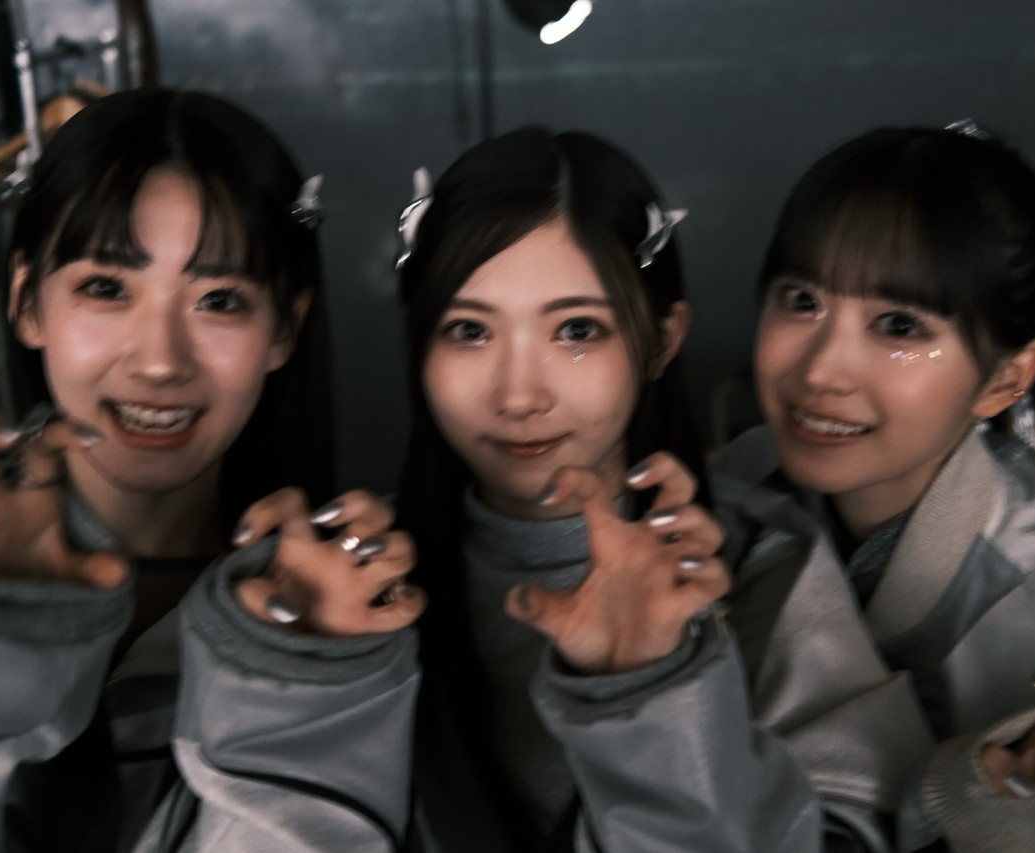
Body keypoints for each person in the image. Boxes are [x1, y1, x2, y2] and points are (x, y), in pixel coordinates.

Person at [0, 87, 424, 852]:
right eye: (106, 287)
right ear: (27, 302)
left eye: (219, 299)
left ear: (284, 327)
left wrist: (304, 683)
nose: (160, 361)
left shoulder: (336, 611)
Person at [392, 125, 923, 853]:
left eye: (577, 330)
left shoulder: (763, 562)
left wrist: (653, 683)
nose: (518, 395)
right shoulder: (366, 582)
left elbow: (856, 829)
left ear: (662, 339)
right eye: (468, 331)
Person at [711, 124, 1035, 852]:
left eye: (898, 324)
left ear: (1005, 378)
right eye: (802, 299)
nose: (820, 371)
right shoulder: (740, 480)